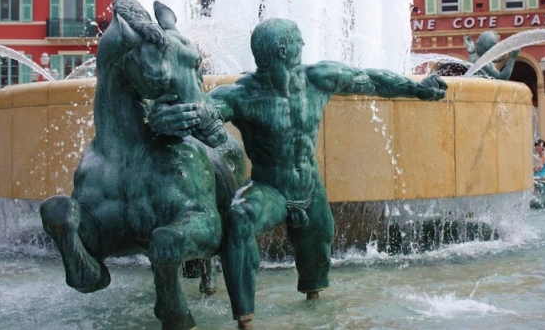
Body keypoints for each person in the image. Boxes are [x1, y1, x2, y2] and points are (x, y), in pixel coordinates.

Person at [149, 18, 448, 328]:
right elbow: (203, 112)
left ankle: (314, 301)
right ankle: (245, 318)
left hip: (309, 187)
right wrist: (164, 117)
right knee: (239, 218)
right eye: (298, 41)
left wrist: (417, 88)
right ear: (283, 50)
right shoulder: (241, 94)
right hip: (270, 189)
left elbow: (371, 79)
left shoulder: (318, 78)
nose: (303, 46)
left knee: (318, 250)